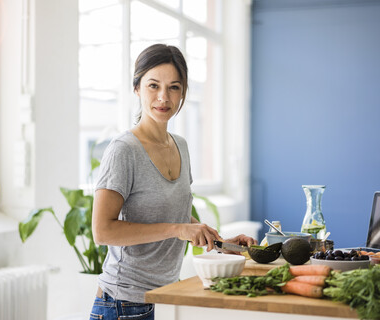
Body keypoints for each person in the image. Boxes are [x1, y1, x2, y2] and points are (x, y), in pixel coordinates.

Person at [90, 43, 257, 320]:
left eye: (174, 87)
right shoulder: (123, 149)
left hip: (164, 298)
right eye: (153, 85)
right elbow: (102, 231)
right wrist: (177, 229)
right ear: (137, 88)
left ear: (183, 93)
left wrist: (223, 243)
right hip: (122, 304)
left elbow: (175, 217)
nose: (163, 97)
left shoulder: (180, 145)